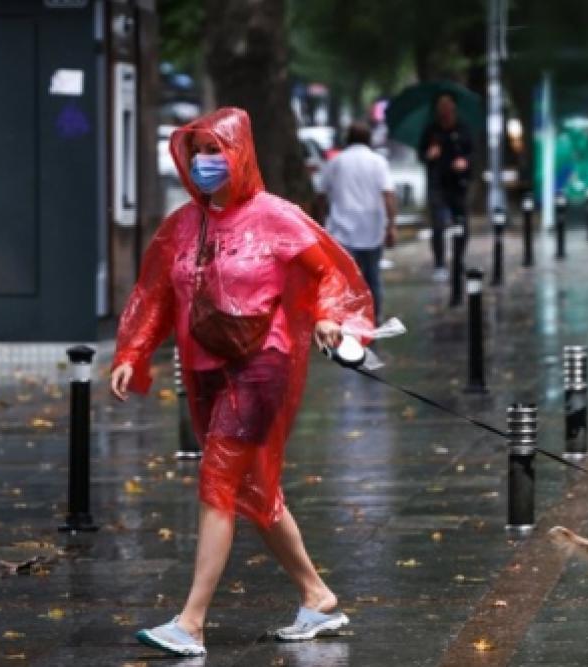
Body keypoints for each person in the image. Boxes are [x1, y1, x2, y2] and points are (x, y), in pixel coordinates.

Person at [110, 107, 375, 657]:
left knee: (217, 481)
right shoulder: (183, 225)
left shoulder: (276, 217)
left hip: (261, 363)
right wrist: (133, 351)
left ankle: (191, 622)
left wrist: (328, 316)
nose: (205, 162)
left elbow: (327, 271)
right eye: (197, 151)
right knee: (252, 490)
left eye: (216, 150)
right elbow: (158, 294)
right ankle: (317, 596)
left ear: (240, 154)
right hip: (205, 368)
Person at [319, 121, 396, 322]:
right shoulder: (378, 162)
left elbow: (320, 194)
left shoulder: (336, 162)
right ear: (369, 139)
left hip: (341, 229)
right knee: (373, 277)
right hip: (372, 228)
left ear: (348, 139)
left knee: (344, 279)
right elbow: (388, 195)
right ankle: (374, 318)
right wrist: (391, 226)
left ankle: (345, 318)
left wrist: (320, 221)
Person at [419, 91, 474, 281]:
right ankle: (440, 263)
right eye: (441, 106)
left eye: (448, 106)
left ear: (454, 108)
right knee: (438, 224)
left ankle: (459, 258)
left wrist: (465, 162)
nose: (445, 110)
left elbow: (472, 153)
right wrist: (429, 154)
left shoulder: (462, 129)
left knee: (462, 223)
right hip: (437, 184)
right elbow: (421, 154)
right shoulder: (431, 130)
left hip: (458, 184)